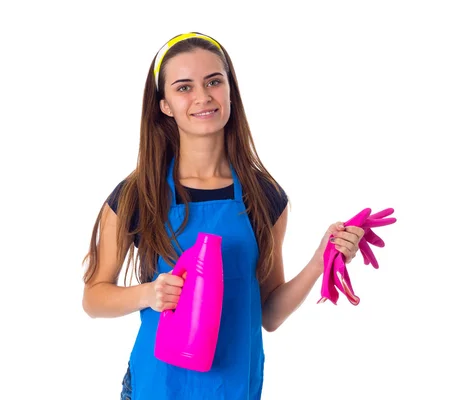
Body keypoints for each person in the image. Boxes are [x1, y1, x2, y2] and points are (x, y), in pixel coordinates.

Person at [81, 32, 365, 400]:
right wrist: (149, 293)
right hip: (158, 386)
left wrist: (318, 261)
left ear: (230, 90)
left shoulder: (263, 195)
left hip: (232, 387)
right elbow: (93, 298)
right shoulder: (138, 194)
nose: (203, 97)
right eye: (184, 87)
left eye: (214, 81)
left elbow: (270, 314)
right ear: (164, 105)